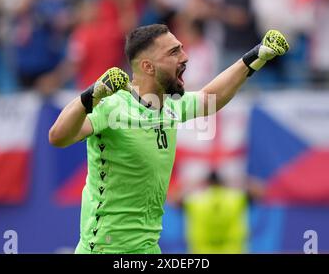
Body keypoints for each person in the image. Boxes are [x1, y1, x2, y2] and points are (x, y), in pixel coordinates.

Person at [49, 24, 289, 254]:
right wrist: (91, 94)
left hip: (149, 248)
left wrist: (257, 56)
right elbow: (58, 137)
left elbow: (209, 98)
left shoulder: (171, 106)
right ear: (148, 66)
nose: (185, 57)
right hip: (105, 248)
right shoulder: (113, 107)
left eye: (182, 48)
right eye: (174, 52)